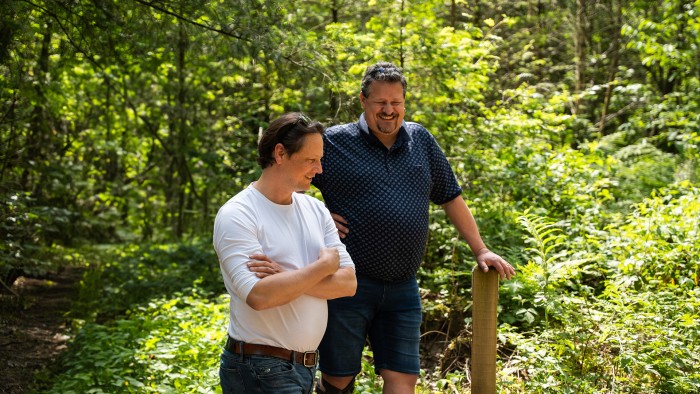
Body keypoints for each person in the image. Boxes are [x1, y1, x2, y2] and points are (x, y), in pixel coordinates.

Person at [310, 62, 516, 394]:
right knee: (338, 378)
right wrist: (316, 215)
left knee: (404, 380)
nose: (389, 111)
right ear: (363, 101)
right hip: (347, 283)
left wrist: (481, 248)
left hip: (403, 287)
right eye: (381, 103)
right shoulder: (333, 144)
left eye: (397, 102)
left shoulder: (419, 139)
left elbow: (451, 196)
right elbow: (286, 181)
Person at [213, 112, 357, 394]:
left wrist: (285, 276)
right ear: (280, 153)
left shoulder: (315, 210)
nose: (319, 169)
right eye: (310, 160)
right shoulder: (238, 214)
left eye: (320, 159)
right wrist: (322, 266)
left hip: (304, 368)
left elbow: (348, 284)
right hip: (259, 368)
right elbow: (261, 295)